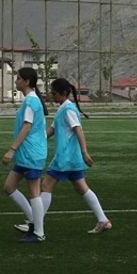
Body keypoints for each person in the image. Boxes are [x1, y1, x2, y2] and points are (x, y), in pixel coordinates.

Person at [38, 78, 112, 235]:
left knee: (46, 186)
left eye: (54, 93)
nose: (52, 96)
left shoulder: (68, 109)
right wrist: (37, 140)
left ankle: (35, 222)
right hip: (71, 158)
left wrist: (84, 152)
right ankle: (103, 220)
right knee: (81, 187)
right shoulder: (63, 109)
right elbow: (52, 130)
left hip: (65, 158)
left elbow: (78, 130)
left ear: (64, 93)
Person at [3, 67, 49, 243]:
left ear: (27, 81)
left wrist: (12, 149)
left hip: (31, 153)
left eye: (18, 78)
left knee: (34, 192)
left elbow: (27, 126)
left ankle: (38, 232)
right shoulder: (31, 100)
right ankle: (34, 220)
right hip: (26, 154)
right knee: (9, 187)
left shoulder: (31, 102)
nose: (16, 81)